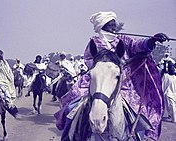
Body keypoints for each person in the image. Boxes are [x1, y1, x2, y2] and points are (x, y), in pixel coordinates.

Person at [55, 11, 168, 141]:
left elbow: (137, 45)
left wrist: (151, 40)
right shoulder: (94, 42)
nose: (114, 28)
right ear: (102, 26)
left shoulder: (123, 40)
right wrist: (103, 65)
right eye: (111, 25)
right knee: (70, 107)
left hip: (123, 82)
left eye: (115, 25)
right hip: (97, 80)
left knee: (140, 112)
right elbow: (88, 60)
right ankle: (67, 137)